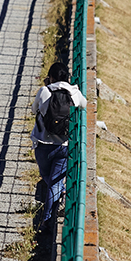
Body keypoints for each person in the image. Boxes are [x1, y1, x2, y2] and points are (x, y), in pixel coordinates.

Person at [31, 62, 87, 231]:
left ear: (52, 77)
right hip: (64, 145)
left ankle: (49, 215)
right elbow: (84, 104)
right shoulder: (74, 92)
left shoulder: (45, 91)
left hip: (43, 143)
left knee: (46, 176)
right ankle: (48, 217)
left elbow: (34, 110)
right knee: (55, 182)